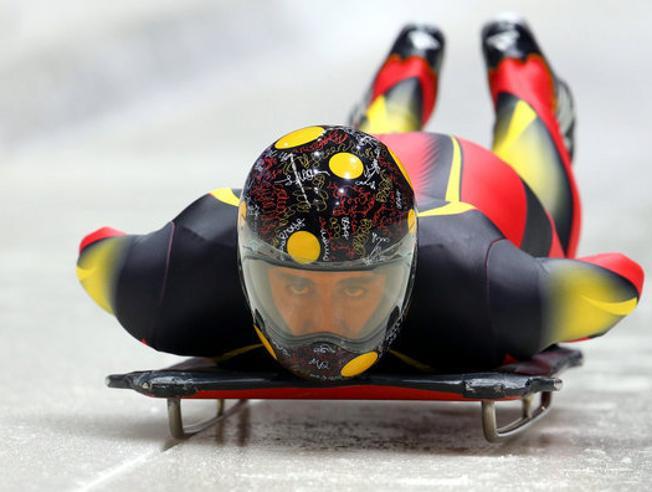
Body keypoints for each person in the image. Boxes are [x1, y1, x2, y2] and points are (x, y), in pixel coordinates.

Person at [76, 17, 644, 381]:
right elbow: (618, 281)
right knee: (373, 142)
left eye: (354, 290)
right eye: (296, 287)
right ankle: (416, 71)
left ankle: (521, 80)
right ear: (243, 267)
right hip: (384, 167)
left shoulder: (488, 286)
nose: (327, 325)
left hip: (489, 189)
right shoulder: (183, 268)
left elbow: (614, 284)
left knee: (540, 192)